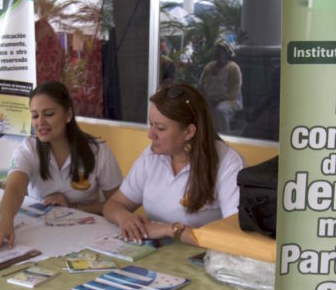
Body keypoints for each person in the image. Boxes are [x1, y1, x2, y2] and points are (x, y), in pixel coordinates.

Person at [0, 81, 122, 252]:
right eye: (35, 116)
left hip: (90, 237)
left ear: (68, 115)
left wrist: (73, 207)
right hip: (43, 237)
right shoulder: (29, 149)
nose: (40, 122)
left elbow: (119, 204)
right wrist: (5, 224)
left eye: (49, 114)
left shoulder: (98, 151)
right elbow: (14, 189)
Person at [103, 84, 244, 244]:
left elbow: (235, 236)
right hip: (155, 253)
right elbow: (113, 205)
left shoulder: (228, 164)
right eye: (151, 124)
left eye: (161, 128)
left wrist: (169, 230)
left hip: (204, 259)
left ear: (189, 132)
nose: (151, 135)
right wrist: (125, 217)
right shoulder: (152, 156)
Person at [199, 41, 242, 134]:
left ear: (226, 54)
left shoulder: (233, 68)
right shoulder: (209, 67)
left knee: (220, 110)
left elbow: (234, 90)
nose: (217, 53)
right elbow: (202, 85)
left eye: (221, 51)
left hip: (231, 100)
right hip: (210, 99)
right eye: (217, 51)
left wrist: (219, 100)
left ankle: (224, 136)